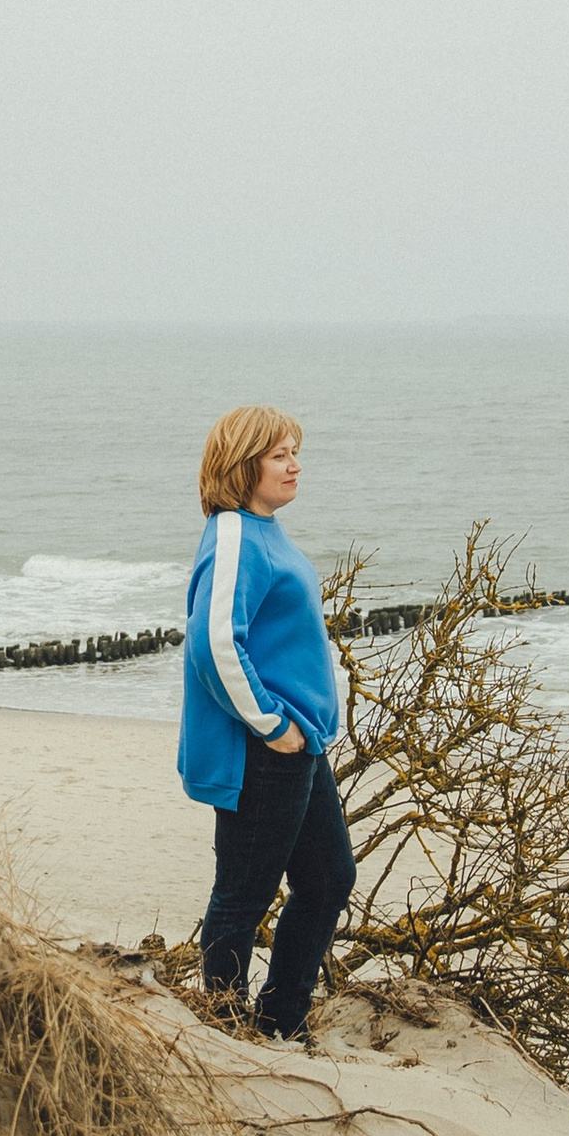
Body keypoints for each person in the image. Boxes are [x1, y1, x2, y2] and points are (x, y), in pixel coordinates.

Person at [178, 403, 356, 1038]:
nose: (295, 465)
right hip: (267, 747)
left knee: (329, 878)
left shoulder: (264, 531)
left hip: (299, 743)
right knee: (243, 896)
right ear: (242, 463)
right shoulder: (233, 533)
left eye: (294, 452)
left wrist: (297, 732)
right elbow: (215, 645)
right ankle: (227, 1031)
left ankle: (281, 1021)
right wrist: (271, 725)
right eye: (280, 454)